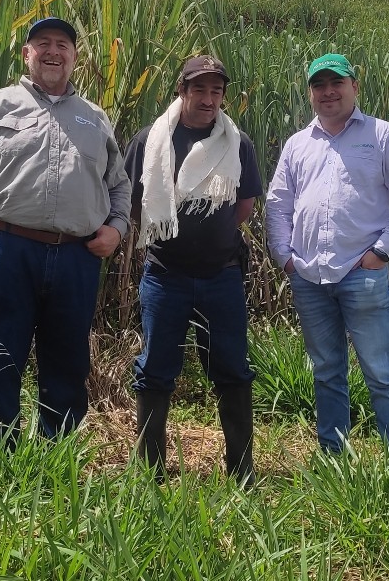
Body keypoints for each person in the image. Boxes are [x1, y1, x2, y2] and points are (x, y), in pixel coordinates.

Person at [0, 16, 131, 442]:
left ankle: (56, 455)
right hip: (6, 249)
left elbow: (119, 185)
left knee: (68, 360)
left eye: (62, 44)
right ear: (26, 54)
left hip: (76, 257)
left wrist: (116, 229)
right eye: (42, 43)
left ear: (74, 57)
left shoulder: (95, 118)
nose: (52, 51)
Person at [265, 53, 389, 453]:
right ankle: (333, 459)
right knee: (326, 372)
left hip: (363, 273)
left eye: (336, 83)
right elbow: (278, 203)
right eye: (319, 85)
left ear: (355, 86)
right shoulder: (297, 144)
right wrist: (284, 255)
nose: (328, 92)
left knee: (381, 373)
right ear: (310, 93)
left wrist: (382, 251)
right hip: (309, 277)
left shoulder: (383, 135)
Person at [124, 54, 263, 484]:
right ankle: (150, 472)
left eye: (216, 91)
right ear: (181, 91)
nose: (208, 99)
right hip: (165, 275)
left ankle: (241, 471)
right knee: (155, 370)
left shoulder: (237, 144)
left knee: (233, 370)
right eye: (198, 89)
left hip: (222, 276)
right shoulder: (150, 141)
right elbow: (133, 204)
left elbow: (244, 206)